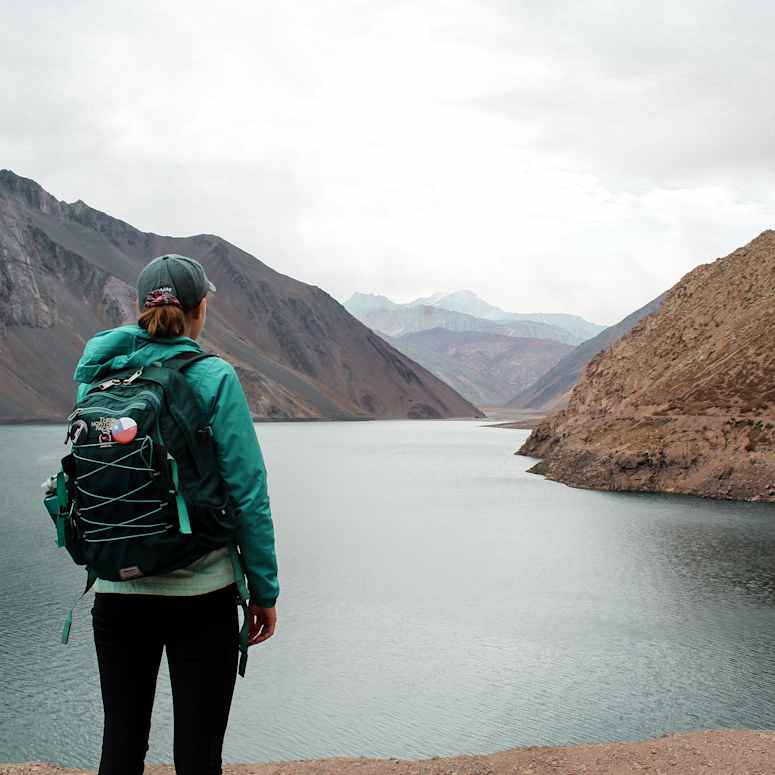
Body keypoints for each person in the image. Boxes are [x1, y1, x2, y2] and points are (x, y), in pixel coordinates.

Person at [72, 254, 279, 775]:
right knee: (198, 751)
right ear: (200, 309)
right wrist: (263, 591)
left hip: (116, 591)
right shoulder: (214, 376)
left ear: (140, 310)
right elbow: (248, 492)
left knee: (120, 744)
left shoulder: (98, 378)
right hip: (201, 595)